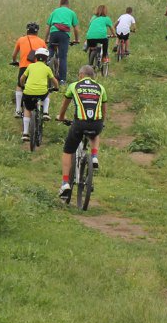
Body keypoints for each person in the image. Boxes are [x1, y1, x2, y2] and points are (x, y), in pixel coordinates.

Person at [57, 64, 108, 199]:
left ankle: (65, 183)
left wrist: (61, 117)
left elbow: (65, 104)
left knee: (68, 151)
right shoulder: (100, 88)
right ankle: (94, 156)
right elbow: (104, 109)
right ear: (93, 77)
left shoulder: (74, 86)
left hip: (79, 123)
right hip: (96, 123)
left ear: (80, 75)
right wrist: (102, 122)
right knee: (96, 133)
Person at [18, 48, 59, 139]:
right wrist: (56, 88)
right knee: (48, 93)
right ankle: (45, 112)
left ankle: (25, 133)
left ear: (35, 57)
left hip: (28, 92)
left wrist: (22, 85)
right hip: (41, 92)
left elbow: (22, 79)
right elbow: (54, 81)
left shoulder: (30, 66)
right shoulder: (47, 68)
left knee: (27, 109)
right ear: (46, 59)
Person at [11, 22, 47, 118]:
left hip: (24, 66)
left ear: (27, 31)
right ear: (37, 32)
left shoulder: (21, 40)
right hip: (38, 67)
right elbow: (46, 55)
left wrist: (15, 61)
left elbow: (14, 55)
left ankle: (18, 109)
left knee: (19, 85)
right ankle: (44, 110)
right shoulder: (41, 41)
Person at [44, 0, 80, 84]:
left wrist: (45, 39)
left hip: (54, 33)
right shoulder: (71, 12)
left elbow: (48, 27)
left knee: (50, 51)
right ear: (68, 4)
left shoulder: (54, 11)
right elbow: (76, 28)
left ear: (60, 4)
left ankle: (48, 63)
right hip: (64, 35)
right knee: (63, 57)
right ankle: (62, 80)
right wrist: (77, 39)